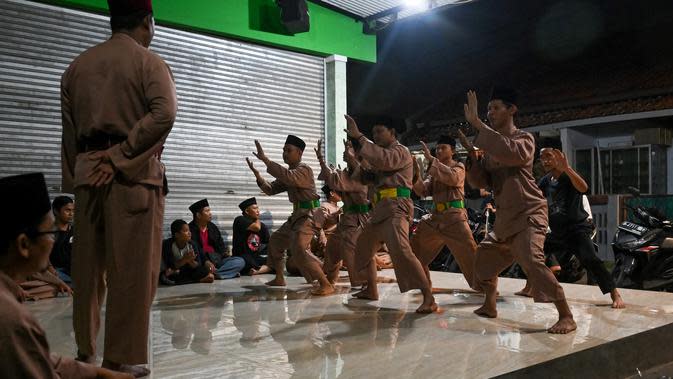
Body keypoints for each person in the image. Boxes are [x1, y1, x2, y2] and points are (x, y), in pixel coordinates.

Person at [60, 0, 177, 374]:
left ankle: (85, 352)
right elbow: (165, 113)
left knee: (87, 270)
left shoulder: (78, 66)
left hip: (88, 174)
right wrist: (122, 154)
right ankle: (120, 360)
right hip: (133, 179)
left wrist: (79, 176)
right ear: (148, 20)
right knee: (132, 271)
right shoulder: (148, 62)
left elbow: (68, 131)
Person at [464, 88, 576, 334]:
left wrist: (479, 126)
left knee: (532, 261)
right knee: (484, 258)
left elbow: (511, 154)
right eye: (488, 109)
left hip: (529, 212)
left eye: (495, 108)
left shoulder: (523, 139)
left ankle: (566, 315)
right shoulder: (491, 146)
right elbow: (481, 182)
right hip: (505, 218)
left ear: (511, 109)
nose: (490, 113)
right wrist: (472, 161)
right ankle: (489, 304)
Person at [0, 173, 132, 379]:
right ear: (24, 245)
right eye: (49, 233)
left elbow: (43, 358)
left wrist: (97, 373)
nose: (53, 240)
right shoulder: (13, 321)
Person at [344, 115, 437, 313]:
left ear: (392, 132)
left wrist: (360, 138)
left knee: (402, 251)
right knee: (363, 245)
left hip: (397, 208)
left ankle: (428, 297)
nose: (376, 136)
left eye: (380, 131)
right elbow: (365, 178)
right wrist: (353, 161)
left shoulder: (400, 151)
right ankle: (371, 289)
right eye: (374, 132)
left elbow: (384, 160)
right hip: (380, 209)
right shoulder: (381, 156)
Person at [517, 148, 625, 308]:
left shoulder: (568, 177)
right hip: (557, 232)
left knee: (591, 260)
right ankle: (529, 287)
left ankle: (615, 294)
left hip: (577, 230)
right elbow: (534, 198)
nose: (545, 161)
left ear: (559, 158)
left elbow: (584, 188)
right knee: (532, 251)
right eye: (542, 158)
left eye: (549, 157)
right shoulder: (546, 181)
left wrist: (567, 168)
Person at [246, 135, 334, 296]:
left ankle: (326, 283)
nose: (284, 153)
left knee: (299, 249)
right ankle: (279, 278)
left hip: (310, 215)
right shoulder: (289, 173)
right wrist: (258, 175)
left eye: (288, 150)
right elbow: (271, 189)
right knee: (276, 240)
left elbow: (288, 177)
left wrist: (266, 160)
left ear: (299, 153)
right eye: (283, 150)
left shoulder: (303, 170)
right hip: (297, 215)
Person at [410, 135, 478, 291]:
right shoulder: (435, 170)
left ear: (452, 150)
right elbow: (423, 190)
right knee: (414, 252)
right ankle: (424, 286)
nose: (439, 151)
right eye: (438, 148)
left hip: (454, 217)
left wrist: (432, 161)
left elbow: (453, 179)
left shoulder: (459, 167)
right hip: (435, 218)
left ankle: (486, 288)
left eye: (443, 148)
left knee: (471, 256)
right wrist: (415, 176)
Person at [315, 139, 373, 286]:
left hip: (359, 221)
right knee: (332, 248)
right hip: (347, 220)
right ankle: (330, 280)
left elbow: (337, 182)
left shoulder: (363, 174)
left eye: (349, 147)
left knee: (350, 251)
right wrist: (322, 161)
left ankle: (360, 283)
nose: (345, 150)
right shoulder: (347, 172)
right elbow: (332, 180)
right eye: (345, 147)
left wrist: (323, 162)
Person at [188, 199, 245, 280]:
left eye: (210, 211)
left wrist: (225, 255)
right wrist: (206, 261)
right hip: (203, 262)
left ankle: (215, 274)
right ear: (198, 215)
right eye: (207, 211)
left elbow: (220, 245)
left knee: (240, 261)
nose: (210, 213)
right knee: (196, 269)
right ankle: (226, 273)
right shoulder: (190, 229)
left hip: (217, 260)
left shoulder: (212, 227)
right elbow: (195, 250)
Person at [161, 219, 214, 285]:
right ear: (177, 235)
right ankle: (198, 280)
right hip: (174, 270)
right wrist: (184, 260)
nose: (189, 233)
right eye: (186, 231)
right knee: (167, 274)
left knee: (204, 271)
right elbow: (171, 265)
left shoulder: (192, 244)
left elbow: (198, 265)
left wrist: (190, 261)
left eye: (189, 230)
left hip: (185, 270)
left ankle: (187, 281)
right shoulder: (168, 244)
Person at [232, 197, 271, 275]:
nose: (258, 211)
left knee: (276, 261)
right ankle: (261, 269)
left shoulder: (262, 225)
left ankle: (255, 271)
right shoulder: (240, 220)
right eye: (255, 209)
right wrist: (257, 219)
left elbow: (267, 243)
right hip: (242, 257)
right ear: (247, 211)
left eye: (258, 208)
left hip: (255, 257)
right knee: (245, 261)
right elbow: (256, 228)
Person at [49, 195, 75, 284]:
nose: (71, 214)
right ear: (56, 211)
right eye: (67, 210)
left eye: (73, 210)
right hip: (54, 271)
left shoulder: (76, 231)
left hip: (72, 271)